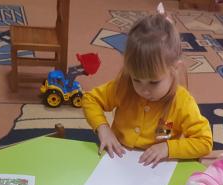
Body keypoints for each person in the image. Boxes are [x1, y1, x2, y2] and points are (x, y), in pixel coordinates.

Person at [82, 11, 212, 167]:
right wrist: (103, 128)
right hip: (117, 159)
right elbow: (90, 99)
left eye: (153, 82)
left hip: (157, 168)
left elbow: (204, 142)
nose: (144, 90)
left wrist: (168, 148)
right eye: (136, 79)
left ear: (174, 69)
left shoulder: (182, 102)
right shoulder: (124, 85)